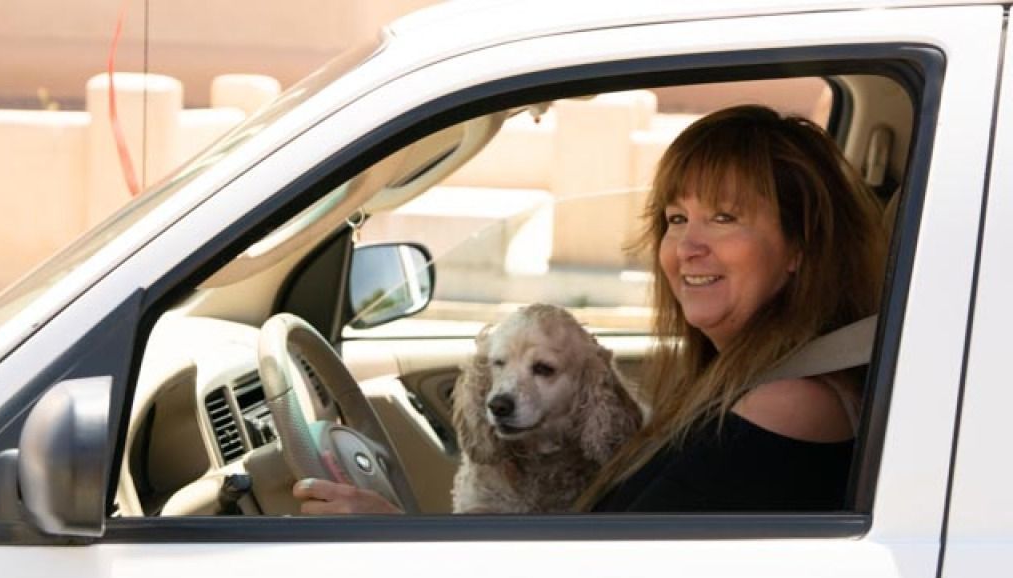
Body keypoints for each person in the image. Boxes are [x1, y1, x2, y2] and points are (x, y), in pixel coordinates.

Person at [294, 104, 887, 514]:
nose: (687, 246)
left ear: (799, 250)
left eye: (725, 218)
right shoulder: (732, 384)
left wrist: (393, 537)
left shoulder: (788, 405)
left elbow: (605, 576)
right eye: (677, 219)